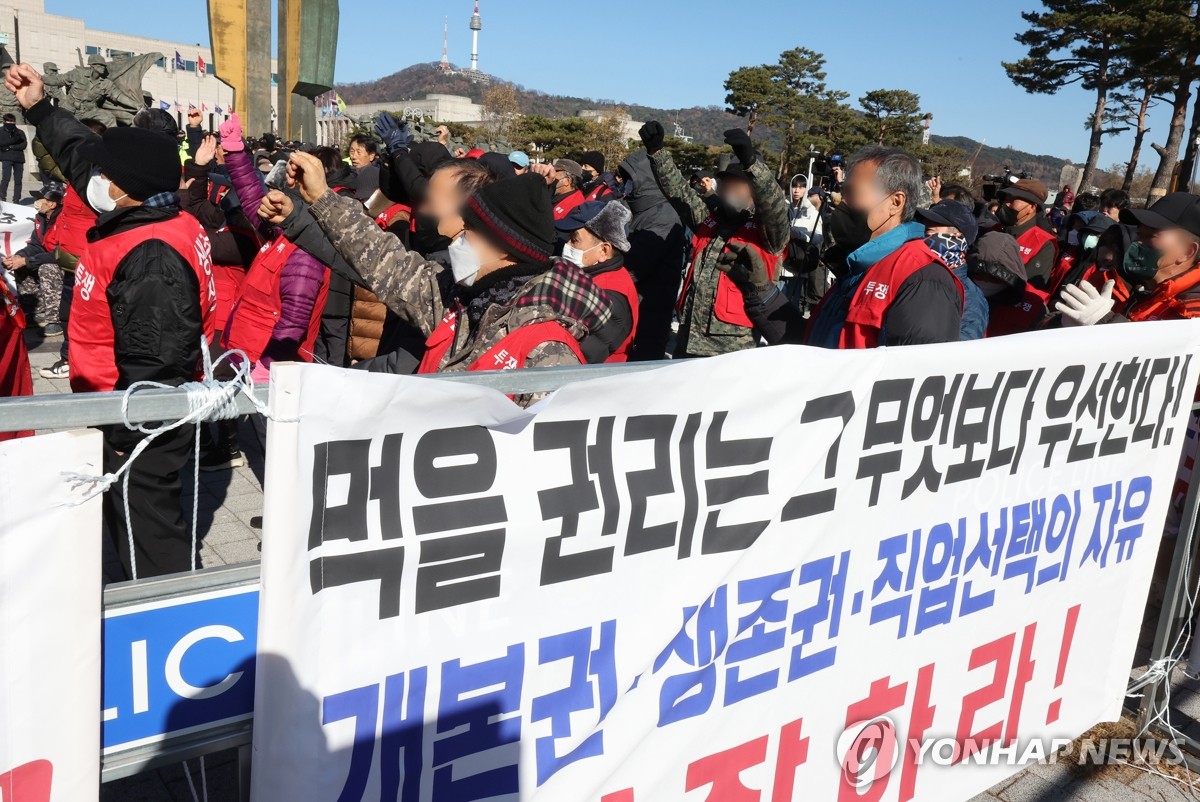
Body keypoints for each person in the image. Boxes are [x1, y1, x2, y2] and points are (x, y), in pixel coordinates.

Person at [6, 61, 217, 579]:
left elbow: (156, 364)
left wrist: (127, 432)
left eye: (104, 177)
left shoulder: (152, 255)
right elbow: (82, 156)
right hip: (115, 404)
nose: (90, 181)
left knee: (148, 528)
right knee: (127, 521)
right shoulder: (143, 208)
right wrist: (40, 107)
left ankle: (164, 615)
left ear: (125, 188)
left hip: (140, 421)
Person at [272, 154, 615, 396]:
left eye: (470, 231)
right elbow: (381, 259)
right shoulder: (456, 299)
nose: (457, 238)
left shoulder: (545, 351)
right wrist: (320, 196)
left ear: (504, 248)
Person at [721, 145, 964, 349]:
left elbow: (908, 386)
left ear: (895, 202)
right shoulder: (858, 268)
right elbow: (813, 352)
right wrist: (761, 292)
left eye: (851, 194)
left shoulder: (923, 280)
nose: (841, 203)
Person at [640, 121, 789, 357]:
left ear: (754, 190)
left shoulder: (768, 231)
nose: (730, 190)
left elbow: (774, 206)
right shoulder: (712, 220)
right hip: (688, 339)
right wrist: (657, 153)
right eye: (727, 183)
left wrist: (752, 164)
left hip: (730, 351)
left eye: (738, 184)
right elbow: (680, 193)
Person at [1057, 192, 1200, 325]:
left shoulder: (1191, 311)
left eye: (1151, 236)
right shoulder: (1128, 285)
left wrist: (1104, 321)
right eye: (1139, 235)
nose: (1137, 242)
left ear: (1187, 252)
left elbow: (1157, 350)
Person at [615, 149, 686, 361]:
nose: (626, 184)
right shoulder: (635, 209)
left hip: (648, 313)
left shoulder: (664, 215)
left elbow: (634, 266)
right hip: (630, 308)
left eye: (630, 179)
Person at [555, 201, 639, 361]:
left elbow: (578, 357)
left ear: (603, 251)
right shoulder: (593, 275)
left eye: (575, 240)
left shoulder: (608, 299)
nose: (567, 245)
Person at [5, 183, 63, 334]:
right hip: (48, 256)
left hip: (64, 263)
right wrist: (18, 256)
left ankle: (54, 320)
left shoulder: (64, 220)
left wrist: (26, 261)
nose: (36, 202)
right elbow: (36, 245)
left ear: (52, 203)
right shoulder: (41, 218)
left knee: (47, 268)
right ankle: (34, 312)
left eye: (40, 199)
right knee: (20, 265)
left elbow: (59, 254)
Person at [967, 231, 1042, 337]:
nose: (985, 281)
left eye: (994, 278)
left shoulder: (1034, 305)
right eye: (979, 274)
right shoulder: (955, 290)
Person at [996, 178, 1058, 292]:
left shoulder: (1043, 244)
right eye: (1005, 198)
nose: (1006, 204)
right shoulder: (994, 230)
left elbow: (1030, 288)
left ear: (1032, 207)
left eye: (1013, 200)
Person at [0, 112, 26, 202]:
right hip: (6, 158)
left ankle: (16, 199)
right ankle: (2, 197)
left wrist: (11, 147)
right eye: (9, 122)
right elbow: (2, 143)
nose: (11, 124)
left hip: (19, 158)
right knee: (5, 178)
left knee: (18, 180)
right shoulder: (1, 131)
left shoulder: (20, 132)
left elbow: (23, 145)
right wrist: (14, 140)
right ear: (5, 121)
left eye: (13, 122)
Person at [347, 133, 380, 201]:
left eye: (359, 152)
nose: (354, 156)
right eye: (352, 152)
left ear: (371, 156)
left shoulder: (378, 176)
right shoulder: (346, 175)